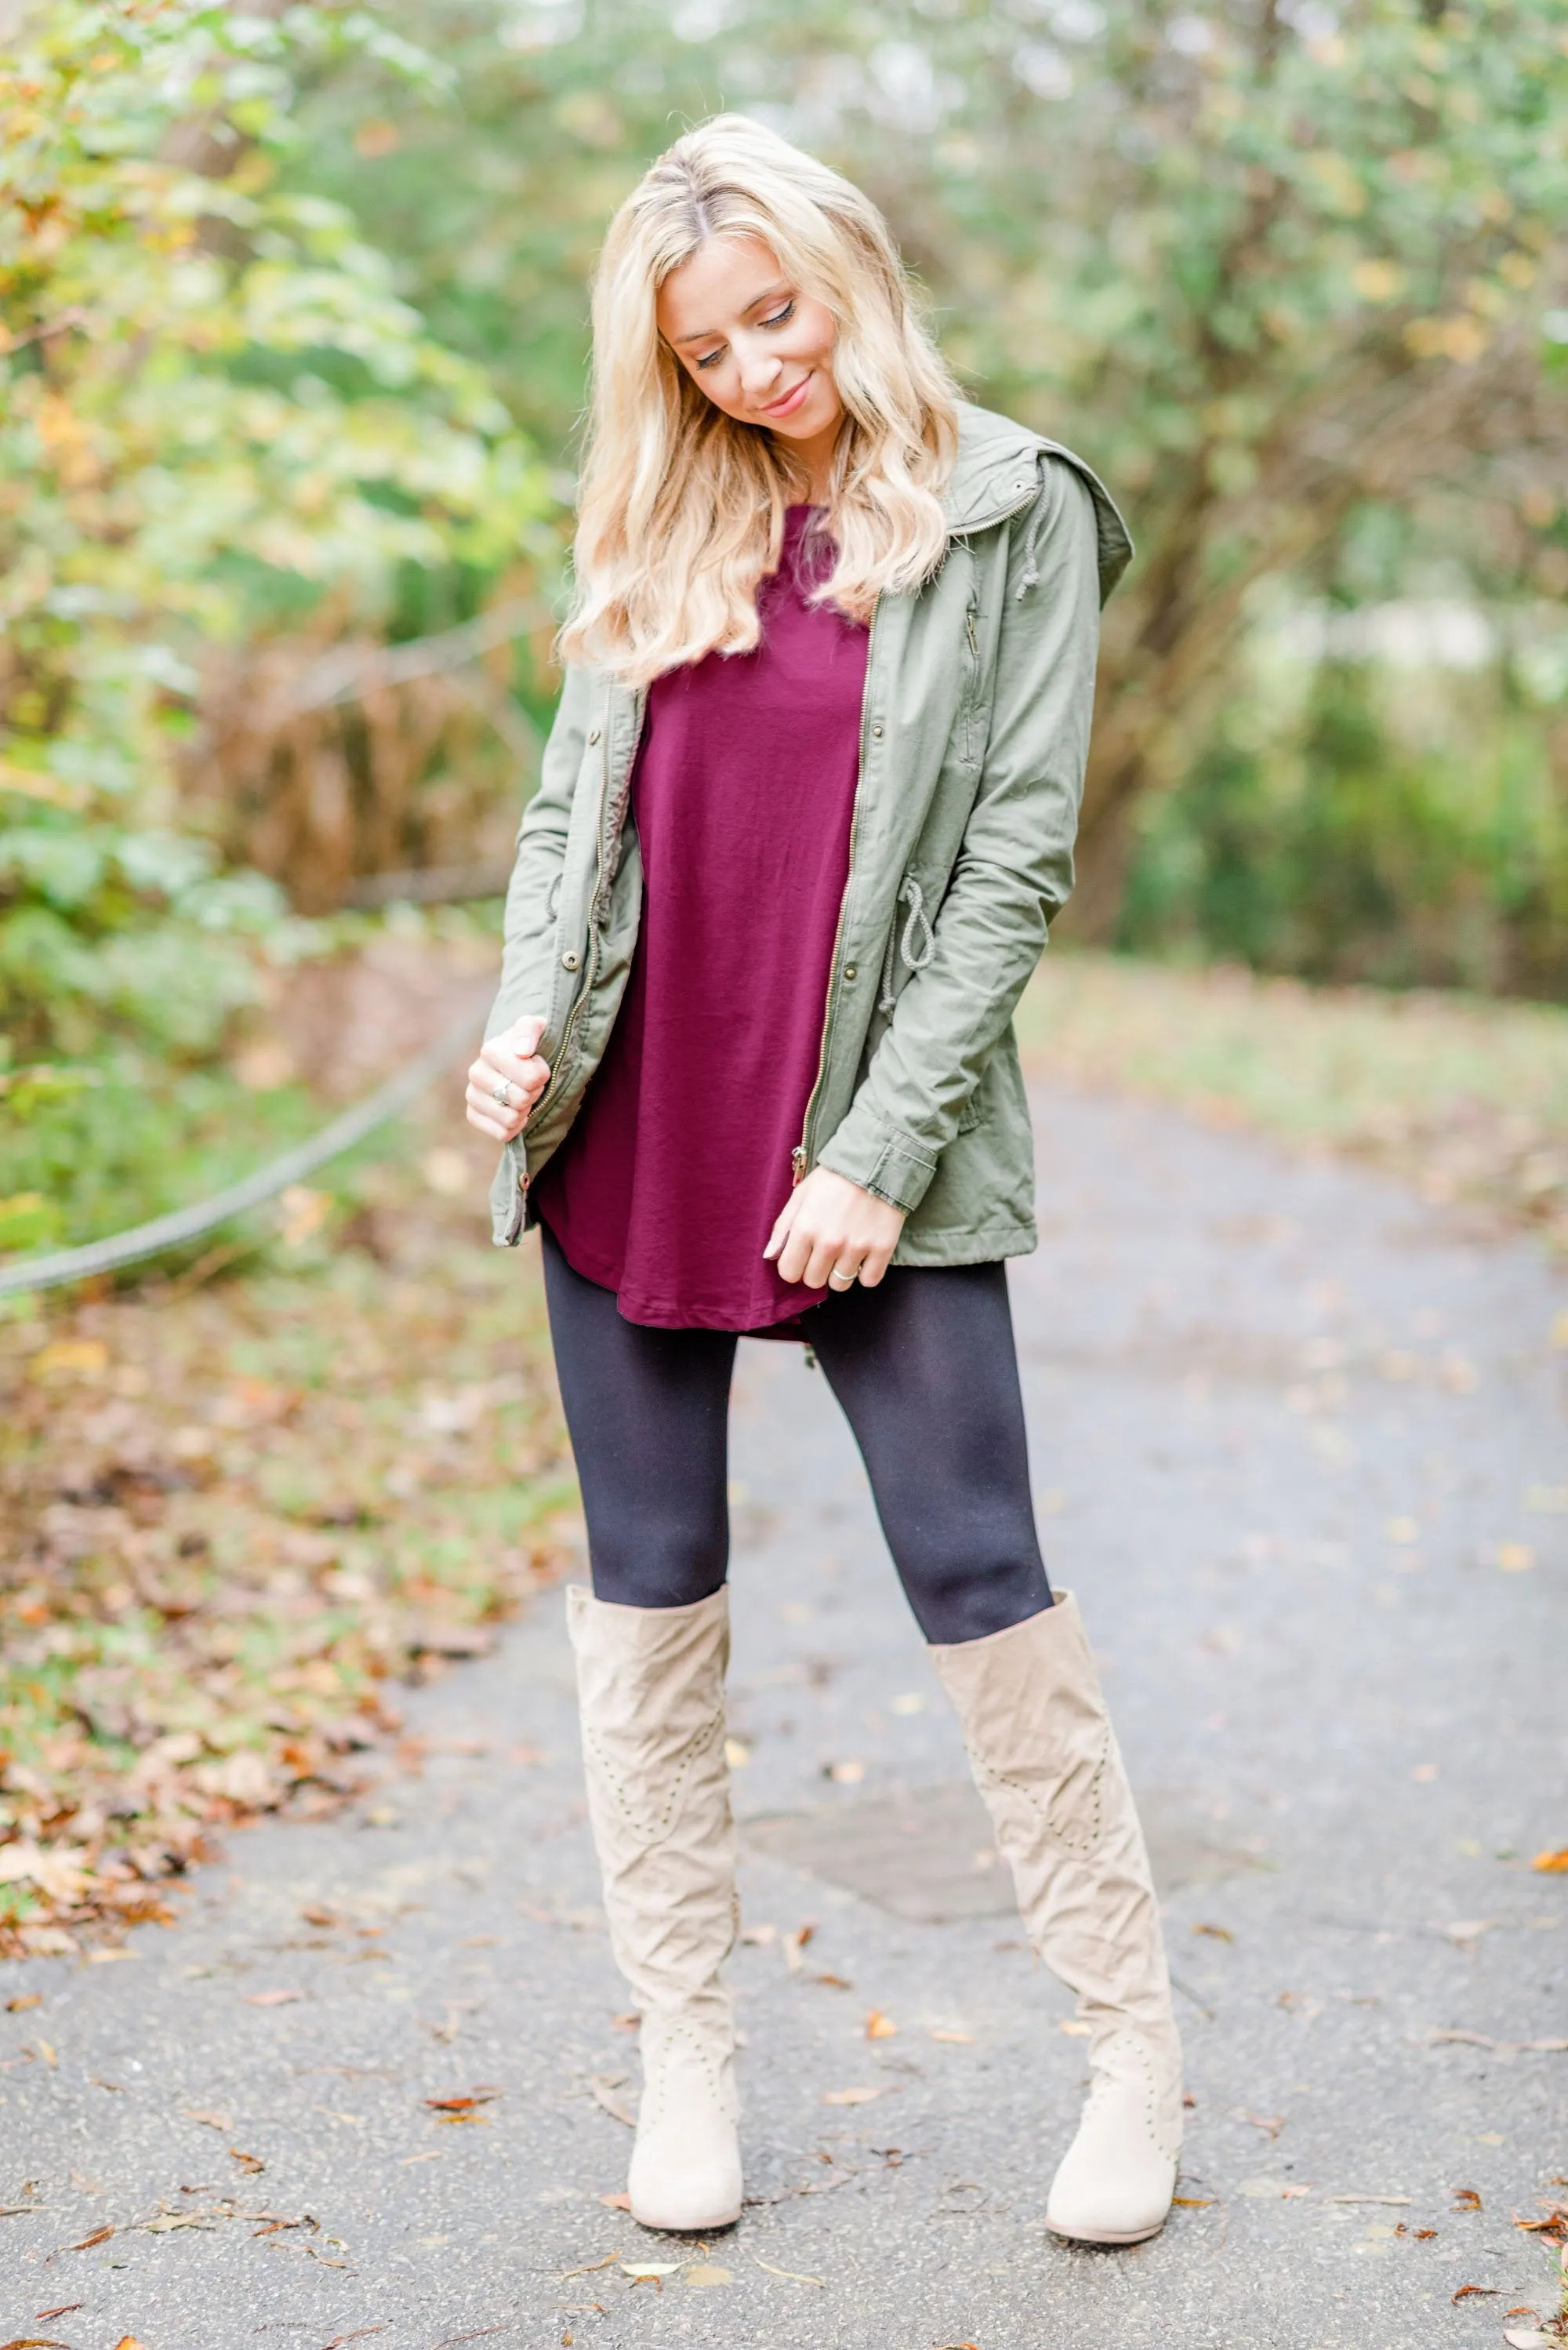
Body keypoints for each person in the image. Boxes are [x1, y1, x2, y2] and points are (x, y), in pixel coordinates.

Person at [464, 114, 1181, 2248]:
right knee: (649, 1586)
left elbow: (1012, 866)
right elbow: (562, 818)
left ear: (850, 260)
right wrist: (519, 1018)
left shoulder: (1010, 506)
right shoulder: (657, 507)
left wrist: (873, 1149)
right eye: (706, 344)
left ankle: (1129, 2050)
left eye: (776, 309)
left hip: (884, 1134)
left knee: (982, 1567)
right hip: (633, 1113)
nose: (758, 365)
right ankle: (686, 2055)